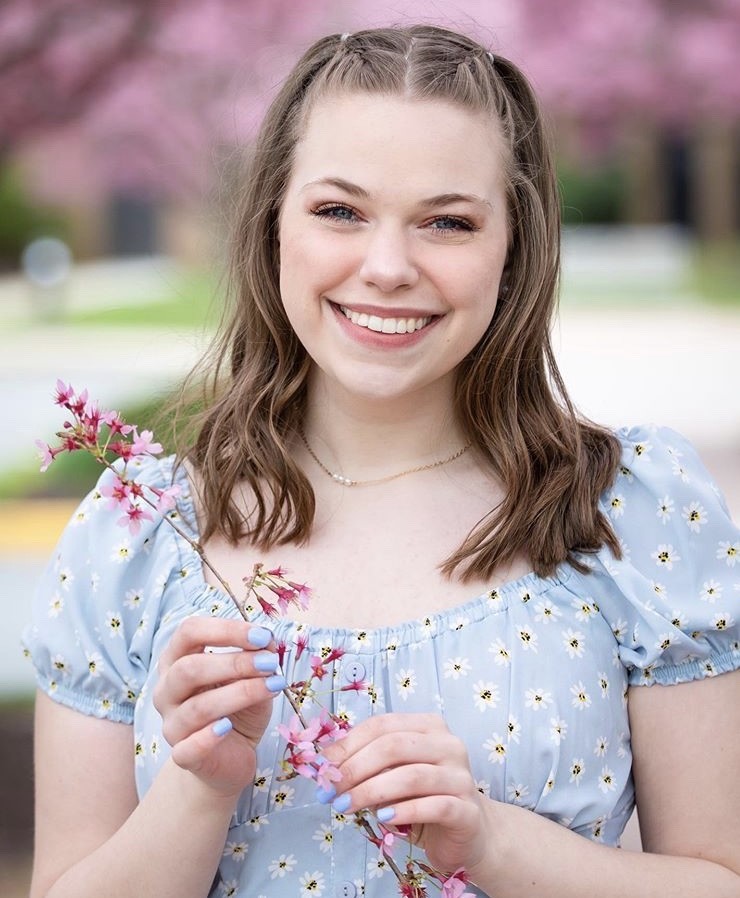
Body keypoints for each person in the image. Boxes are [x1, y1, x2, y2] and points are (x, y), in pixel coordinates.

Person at [23, 24, 740, 898]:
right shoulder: (137, 533)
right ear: (273, 224)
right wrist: (200, 786)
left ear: (514, 246)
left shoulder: (631, 511)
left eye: (447, 222)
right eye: (340, 212)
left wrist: (493, 843)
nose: (388, 266)